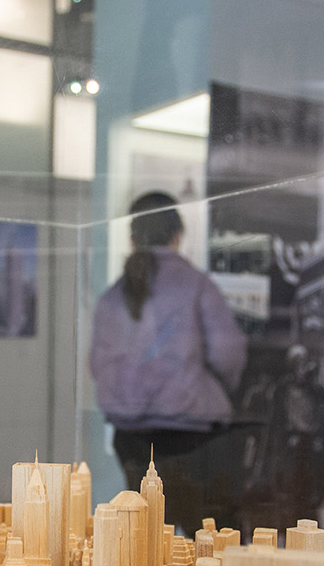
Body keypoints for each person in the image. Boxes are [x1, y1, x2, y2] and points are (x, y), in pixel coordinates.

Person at [89, 192, 248, 534]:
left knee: (145, 534)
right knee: (206, 534)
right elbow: (228, 353)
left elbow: (96, 365)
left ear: (132, 239)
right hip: (191, 437)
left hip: (130, 436)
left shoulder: (111, 298)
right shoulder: (197, 286)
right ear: (178, 235)